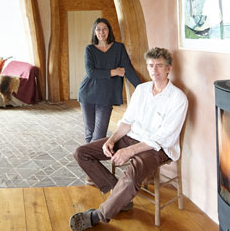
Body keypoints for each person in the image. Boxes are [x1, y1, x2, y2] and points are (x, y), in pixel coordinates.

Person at [70, 47, 188, 230]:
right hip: (131, 137)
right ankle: (121, 198)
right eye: (151, 66)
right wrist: (112, 139)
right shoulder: (141, 90)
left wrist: (130, 151)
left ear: (168, 69)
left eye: (159, 66)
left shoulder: (178, 98)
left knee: (131, 177)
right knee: (81, 153)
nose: (154, 70)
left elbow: (163, 137)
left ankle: (98, 215)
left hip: (157, 148)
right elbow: (127, 122)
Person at [78, 18, 141, 146]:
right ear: (94, 32)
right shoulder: (89, 49)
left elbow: (127, 69)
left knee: (99, 135)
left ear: (109, 31)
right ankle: (88, 160)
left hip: (107, 95)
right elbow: (91, 72)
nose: (101, 32)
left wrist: (142, 87)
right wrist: (114, 72)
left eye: (104, 28)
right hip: (88, 93)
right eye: (98, 29)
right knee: (89, 133)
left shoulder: (118, 48)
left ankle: (89, 157)